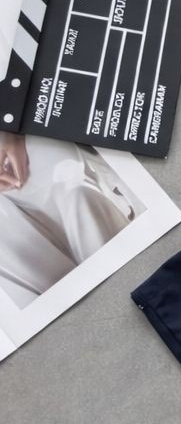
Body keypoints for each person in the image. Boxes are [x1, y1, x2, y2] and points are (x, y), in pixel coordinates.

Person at [0, 132, 134, 308]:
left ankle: (124, 279)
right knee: (13, 246)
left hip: (19, 134)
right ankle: (78, 310)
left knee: (75, 193)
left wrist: (11, 134)